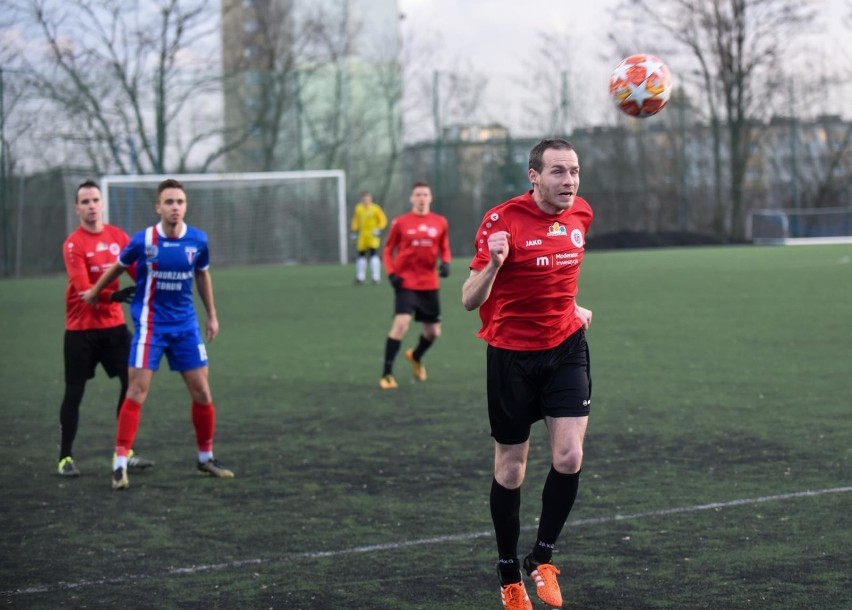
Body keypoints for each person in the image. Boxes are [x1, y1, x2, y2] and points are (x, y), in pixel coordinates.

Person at [461, 139, 594, 610]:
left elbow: (559, 276)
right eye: (558, 172)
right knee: (511, 469)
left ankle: (541, 558)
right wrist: (495, 264)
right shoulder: (502, 221)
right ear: (533, 176)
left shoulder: (581, 215)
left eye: (574, 171)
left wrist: (572, 308)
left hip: (566, 348)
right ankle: (506, 573)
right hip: (511, 357)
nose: (570, 181)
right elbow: (469, 299)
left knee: (570, 455)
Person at [82, 178, 234, 490]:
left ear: (185, 206)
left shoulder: (198, 240)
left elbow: (202, 275)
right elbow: (118, 265)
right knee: (136, 392)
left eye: (179, 202)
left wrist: (213, 316)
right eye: (169, 202)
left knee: (203, 393)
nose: (175, 207)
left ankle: (205, 458)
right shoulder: (144, 240)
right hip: (151, 328)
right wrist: (96, 291)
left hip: (186, 327)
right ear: (158, 207)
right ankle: (120, 463)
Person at [57, 180, 154, 477]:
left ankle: (124, 452)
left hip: (114, 329)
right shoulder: (73, 244)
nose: (90, 206)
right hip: (80, 331)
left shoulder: (119, 237)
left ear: (102, 204)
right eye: (84, 202)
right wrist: (113, 295)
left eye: (94, 200)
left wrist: (157, 277)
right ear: (77, 209)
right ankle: (65, 458)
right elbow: (84, 289)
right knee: (74, 393)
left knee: (132, 385)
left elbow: (138, 271)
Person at [378, 181, 451, 389]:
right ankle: (387, 374)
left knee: (433, 333)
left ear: (430, 198)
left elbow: (444, 248)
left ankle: (416, 356)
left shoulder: (440, 222)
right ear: (412, 198)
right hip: (406, 282)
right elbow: (387, 250)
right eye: (417, 194)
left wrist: (445, 263)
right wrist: (392, 274)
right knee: (401, 324)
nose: (421, 198)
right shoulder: (401, 222)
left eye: (425, 194)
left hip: (429, 283)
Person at [350, 191, 388, 284]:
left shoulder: (375, 209)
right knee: (361, 255)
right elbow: (356, 221)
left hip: (372, 234)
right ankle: (360, 277)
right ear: (361, 199)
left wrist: (379, 228)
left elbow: (383, 220)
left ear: (370, 199)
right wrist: (354, 230)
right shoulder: (358, 208)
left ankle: (376, 277)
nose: (366, 201)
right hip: (362, 235)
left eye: (367, 199)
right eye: (364, 199)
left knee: (373, 254)